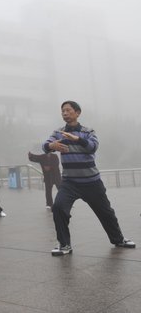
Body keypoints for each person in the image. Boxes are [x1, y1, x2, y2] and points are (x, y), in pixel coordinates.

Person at [43, 100, 135, 256]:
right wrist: (51, 146)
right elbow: (45, 146)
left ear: (77, 113)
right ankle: (65, 245)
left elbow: (93, 147)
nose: (65, 113)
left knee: (106, 212)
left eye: (68, 110)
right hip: (69, 183)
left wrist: (77, 139)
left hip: (91, 182)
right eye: (62, 111)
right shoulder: (58, 132)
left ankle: (118, 239)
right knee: (58, 208)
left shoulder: (88, 131)